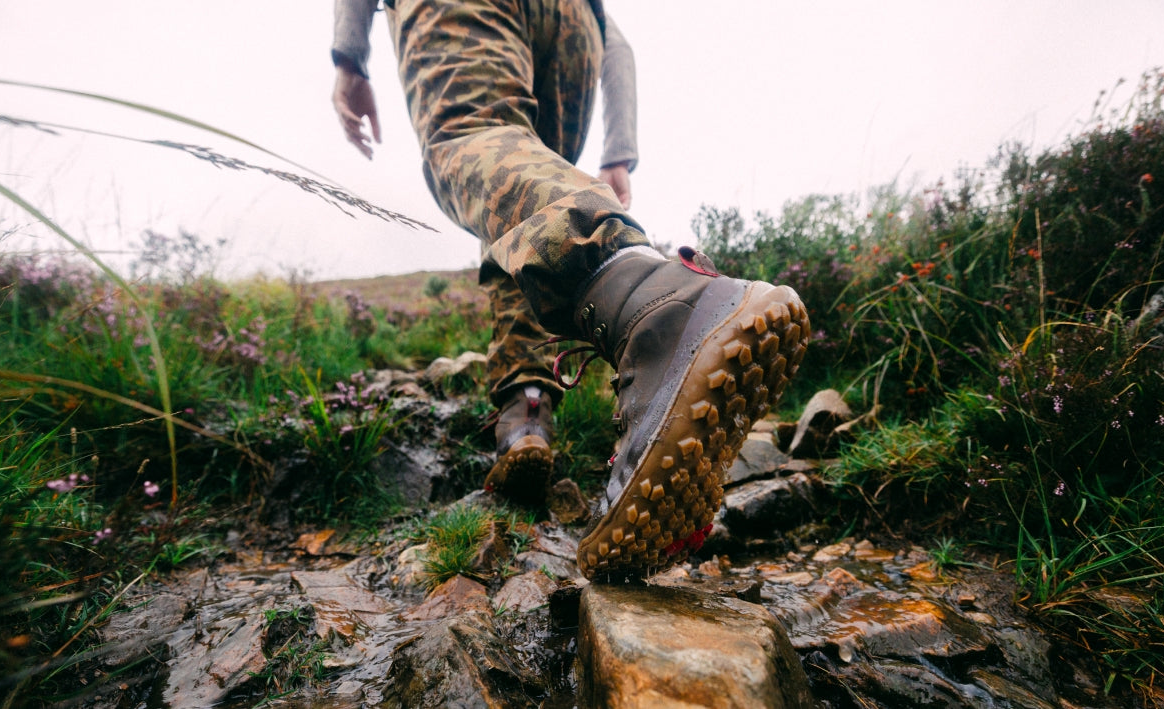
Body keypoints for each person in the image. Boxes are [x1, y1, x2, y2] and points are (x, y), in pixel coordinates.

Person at [330, 0, 810, 580]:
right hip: (575, 23)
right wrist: (618, 151)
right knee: (519, 213)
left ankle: (655, 308)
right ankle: (526, 415)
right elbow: (618, 43)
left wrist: (349, 55)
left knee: (472, 136)